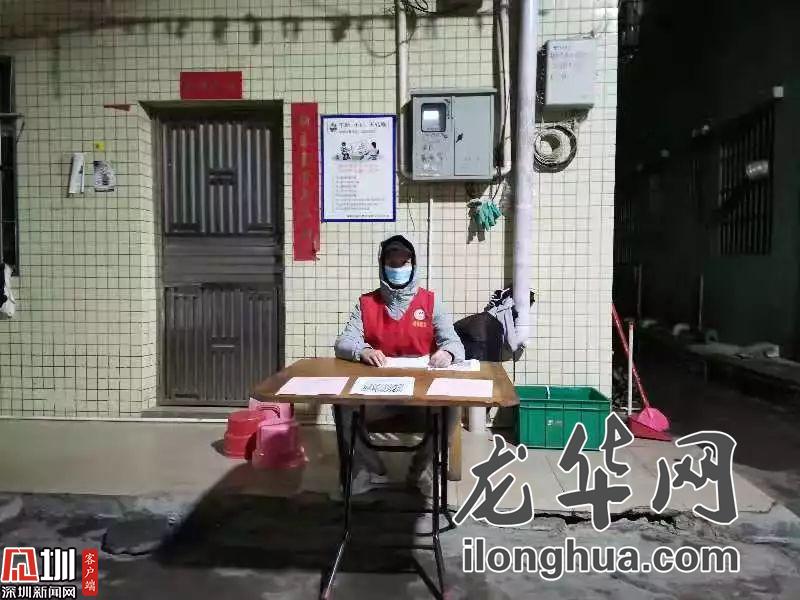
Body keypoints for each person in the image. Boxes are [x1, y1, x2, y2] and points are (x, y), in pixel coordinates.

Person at [334, 235, 465, 496]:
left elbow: (455, 343)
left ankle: (421, 470)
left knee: (451, 409)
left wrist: (448, 353)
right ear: (382, 266)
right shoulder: (366, 303)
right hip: (377, 395)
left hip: (423, 395)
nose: (397, 268)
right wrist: (363, 350)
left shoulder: (431, 301)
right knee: (342, 407)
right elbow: (343, 342)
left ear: (413, 265)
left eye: (403, 262)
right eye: (391, 263)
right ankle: (371, 469)